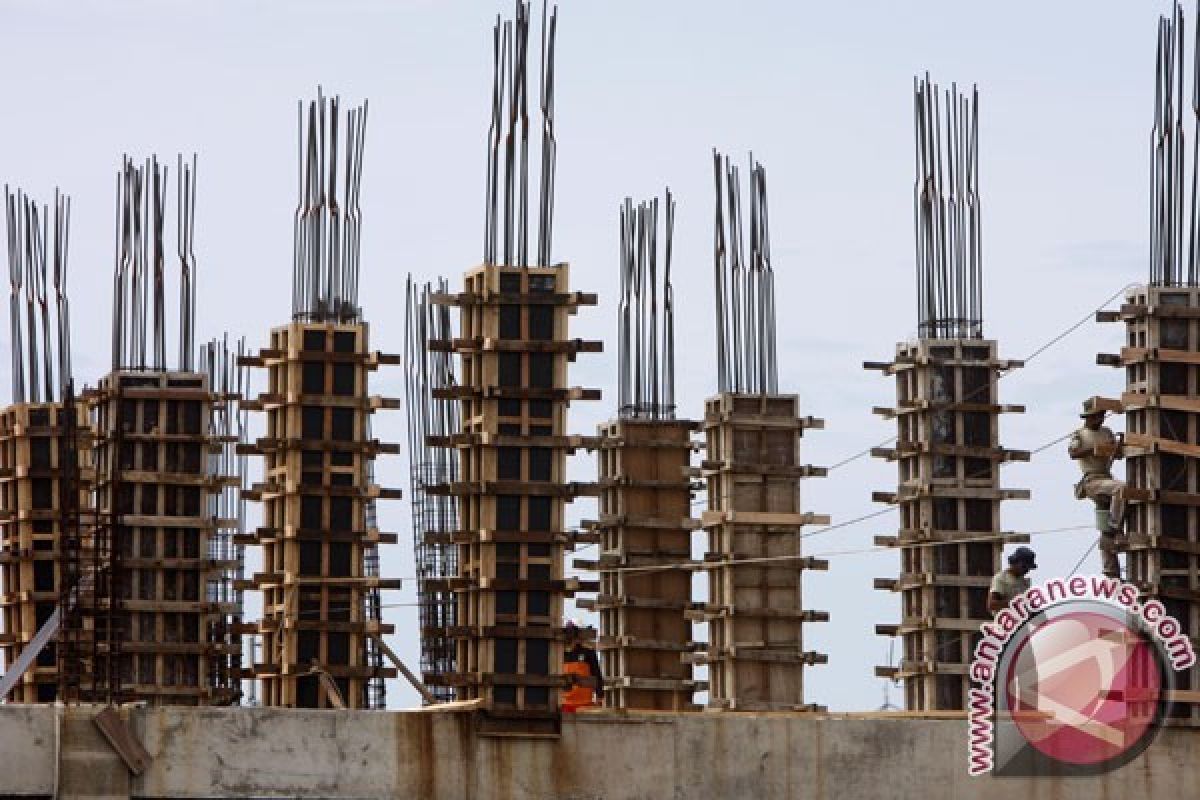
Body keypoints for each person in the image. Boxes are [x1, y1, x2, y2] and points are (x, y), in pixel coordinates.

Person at [1068, 399, 1126, 578]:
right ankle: (1115, 526)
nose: (1100, 420)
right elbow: (1072, 453)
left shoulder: (1107, 432)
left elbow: (1118, 455)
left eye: (1101, 416)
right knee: (1120, 488)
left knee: (1107, 527)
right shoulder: (1079, 434)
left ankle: (1111, 572)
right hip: (1092, 481)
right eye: (1097, 416)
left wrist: (1119, 444)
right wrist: (1093, 450)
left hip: (1105, 478)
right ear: (1089, 417)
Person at [562, 620, 603, 712]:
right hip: (564, 704)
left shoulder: (588, 653)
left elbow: (596, 674)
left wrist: (600, 696)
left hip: (585, 704)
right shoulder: (559, 653)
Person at [988, 546, 1037, 613]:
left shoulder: (1024, 582)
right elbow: (992, 605)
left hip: (1023, 620)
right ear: (1015, 562)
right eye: (1024, 567)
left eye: (1028, 568)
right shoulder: (1001, 579)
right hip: (1006, 621)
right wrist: (1015, 604)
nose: (1026, 571)